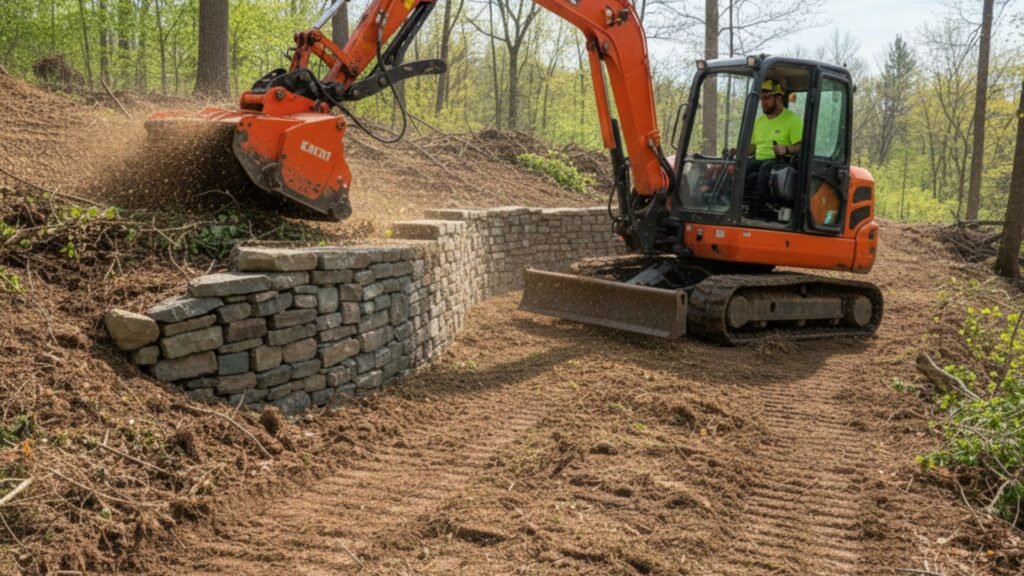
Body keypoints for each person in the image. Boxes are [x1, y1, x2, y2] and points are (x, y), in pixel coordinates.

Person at [745, 78, 803, 214]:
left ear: (778, 98)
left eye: (766, 98)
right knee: (741, 168)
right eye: (761, 98)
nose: (762, 103)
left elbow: (801, 146)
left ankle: (761, 207)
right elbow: (753, 147)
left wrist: (787, 149)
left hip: (781, 161)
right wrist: (739, 154)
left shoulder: (792, 120)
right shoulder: (759, 122)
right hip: (759, 159)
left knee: (765, 169)